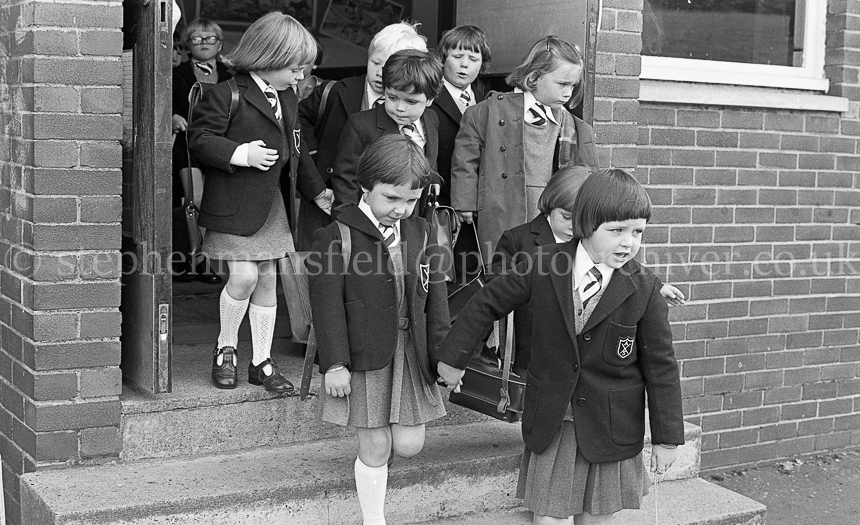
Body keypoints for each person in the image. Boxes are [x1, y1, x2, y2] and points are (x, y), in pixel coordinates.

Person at [437, 168, 685, 525]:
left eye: (637, 232)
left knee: (597, 516)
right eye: (616, 231)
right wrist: (454, 357)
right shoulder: (541, 264)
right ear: (585, 224)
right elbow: (486, 302)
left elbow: (661, 368)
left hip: (611, 427)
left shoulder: (643, 288)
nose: (628, 242)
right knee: (549, 515)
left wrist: (667, 438)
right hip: (554, 419)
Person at [307, 134, 451, 525]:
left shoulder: (421, 232)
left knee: (408, 445)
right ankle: (374, 519)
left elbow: (434, 299)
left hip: (411, 351)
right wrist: (334, 363)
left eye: (411, 200)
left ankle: (387, 429)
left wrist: (446, 356)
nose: (402, 209)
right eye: (392, 198)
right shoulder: (336, 235)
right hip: (363, 354)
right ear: (365, 188)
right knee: (375, 446)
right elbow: (327, 305)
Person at [188, 12, 333, 392]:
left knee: (268, 281)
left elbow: (297, 152)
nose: (301, 77)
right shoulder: (224, 93)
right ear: (268, 57)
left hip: (270, 209)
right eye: (295, 68)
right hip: (233, 208)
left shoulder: (287, 97)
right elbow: (198, 140)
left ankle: (262, 362)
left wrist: (318, 192)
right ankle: (226, 349)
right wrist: (240, 153)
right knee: (245, 276)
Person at [489, 166, 686, 372]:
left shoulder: (587, 240)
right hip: (532, 344)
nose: (573, 226)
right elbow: (496, 286)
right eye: (566, 217)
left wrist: (655, 289)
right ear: (549, 205)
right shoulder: (518, 239)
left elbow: (623, 266)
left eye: (579, 219)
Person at [451, 36, 599, 264]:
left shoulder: (577, 129)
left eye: (573, 85)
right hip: (502, 206)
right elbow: (465, 160)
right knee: (503, 269)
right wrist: (465, 203)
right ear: (534, 77)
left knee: (544, 271)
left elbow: (588, 179)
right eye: (562, 84)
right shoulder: (487, 112)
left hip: (549, 213)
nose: (568, 92)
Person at [295, 21, 428, 250]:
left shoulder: (420, 111)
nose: (379, 72)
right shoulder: (336, 91)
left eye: (389, 67)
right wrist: (315, 166)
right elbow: (296, 120)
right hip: (327, 203)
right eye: (375, 62)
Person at [330, 48, 442, 210]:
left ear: (430, 100)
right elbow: (345, 178)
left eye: (411, 102)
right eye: (392, 97)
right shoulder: (361, 125)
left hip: (413, 216)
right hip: (370, 218)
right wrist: (350, 221)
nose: (400, 108)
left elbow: (431, 159)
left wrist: (434, 180)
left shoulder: (431, 120)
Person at [171, 18, 232, 283]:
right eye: (197, 39)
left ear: (220, 44)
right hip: (187, 145)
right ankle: (188, 261)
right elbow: (163, 104)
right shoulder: (176, 73)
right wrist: (172, 116)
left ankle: (206, 262)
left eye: (210, 39)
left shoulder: (231, 76)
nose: (204, 44)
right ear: (187, 45)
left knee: (213, 204)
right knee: (193, 203)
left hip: (221, 146)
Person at [427, 25, 490, 206]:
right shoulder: (429, 97)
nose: (465, 64)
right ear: (443, 59)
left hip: (478, 201)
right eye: (457, 57)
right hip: (439, 199)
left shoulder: (486, 101)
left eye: (473, 59)